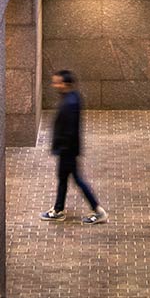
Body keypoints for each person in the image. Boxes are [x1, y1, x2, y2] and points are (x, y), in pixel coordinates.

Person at [41, 70, 107, 224]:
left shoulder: (69, 103)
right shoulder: (72, 98)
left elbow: (69, 130)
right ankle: (58, 209)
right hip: (68, 149)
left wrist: (62, 148)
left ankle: (98, 210)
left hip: (67, 150)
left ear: (65, 84)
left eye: (57, 82)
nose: (54, 85)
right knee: (63, 179)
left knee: (76, 179)